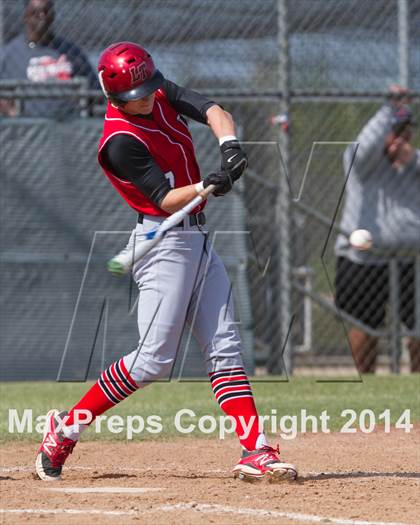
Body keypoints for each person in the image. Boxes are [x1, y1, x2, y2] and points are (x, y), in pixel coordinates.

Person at [35, 41, 298, 483]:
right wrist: (204, 186)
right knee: (153, 361)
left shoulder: (153, 92)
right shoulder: (119, 142)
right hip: (163, 247)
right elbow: (163, 197)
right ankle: (66, 427)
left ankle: (255, 450)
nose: (151, 95)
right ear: (115, 96)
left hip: (196, 240)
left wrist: (229, 147)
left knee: (226, 349)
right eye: (139, 92)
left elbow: (213, 110)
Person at [335, 85, 420, 373]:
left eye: (405, 132)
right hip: (364, 260)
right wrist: (389, 108)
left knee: (418, 328)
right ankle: (367, 380)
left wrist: (413, 159)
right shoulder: (361, 163)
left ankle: (414, 383)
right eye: (395, 132)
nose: (400, 138)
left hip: (411, 261)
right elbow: (366, 145)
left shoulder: (414, 165)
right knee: (364, 325)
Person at [0, 0, 98, 118]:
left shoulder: (70, 51)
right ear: (25, 17)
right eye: (35, 12)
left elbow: (94, 89)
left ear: (53, 16)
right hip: (28, 130)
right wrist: (12, 112)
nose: (42, 16)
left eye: (46, 12)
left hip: (70, 127)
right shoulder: (10, 54)